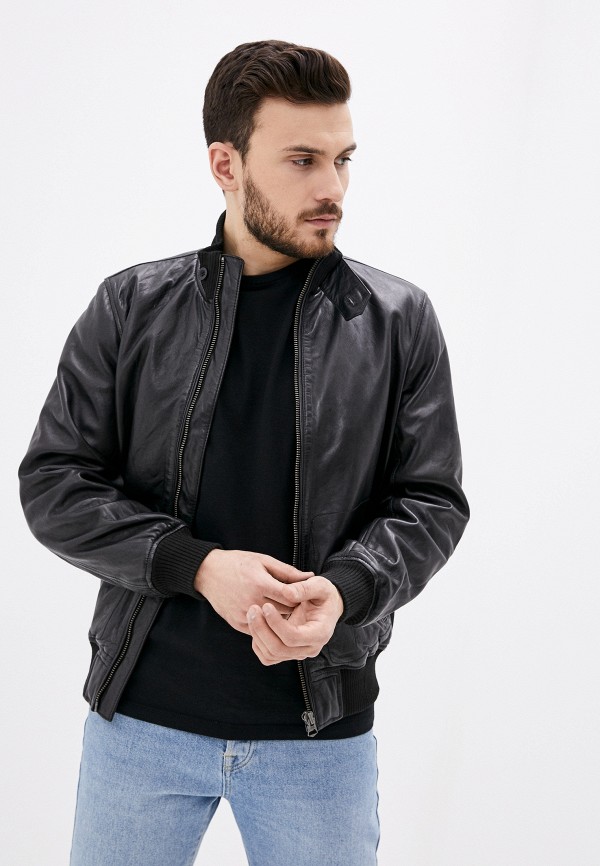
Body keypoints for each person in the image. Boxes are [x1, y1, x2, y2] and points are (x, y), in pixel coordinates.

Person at [19, 39, 469, 866]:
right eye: (302, 160)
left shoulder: (399, 320)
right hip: (141, 727)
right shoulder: (130, 307)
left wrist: (346, 591)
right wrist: (195, 565)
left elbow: (430, 501)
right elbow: (55, 482)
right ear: (225, 164)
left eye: (342, 159)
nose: (332, 188)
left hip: (320, 736)